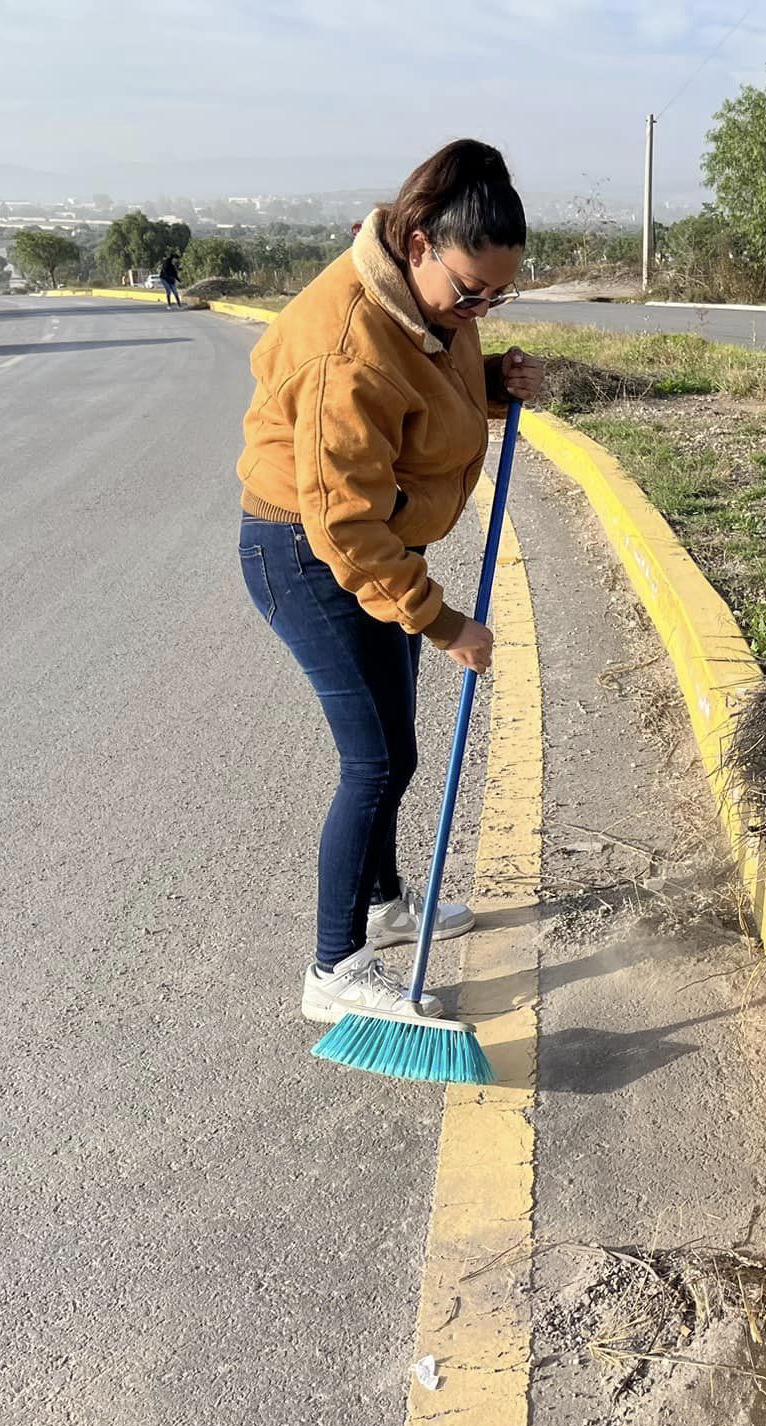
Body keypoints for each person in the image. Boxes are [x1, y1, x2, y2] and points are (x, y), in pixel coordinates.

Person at [234, 139, 545, 1033]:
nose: (480, 308)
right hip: (306, 552)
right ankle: (334, 968)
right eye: (471, 293)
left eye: (498, 295)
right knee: (375, 760)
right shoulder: (348, 347)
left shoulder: (431, 304)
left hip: (366, 540)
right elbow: (346, 528)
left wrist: (489, 381)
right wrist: (444, 622)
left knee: (392, 746)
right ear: (418, 247)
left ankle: (383, 907)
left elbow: (425, 389)